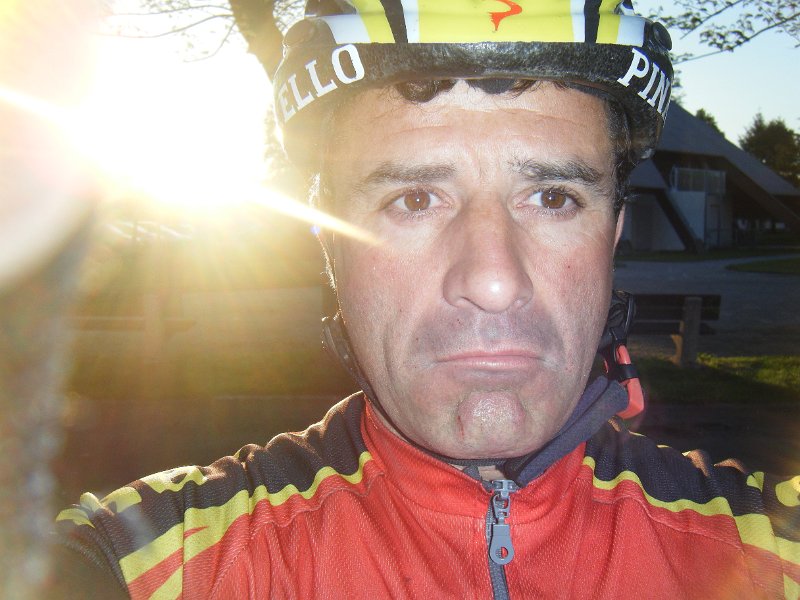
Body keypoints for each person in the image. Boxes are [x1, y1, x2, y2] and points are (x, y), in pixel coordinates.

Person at [53, 1, 799, 598]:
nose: (494, 280)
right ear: (331, 247)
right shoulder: (147, 561)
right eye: (414, 198)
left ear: (611, 236)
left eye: (552, 196)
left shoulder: (767, 550)